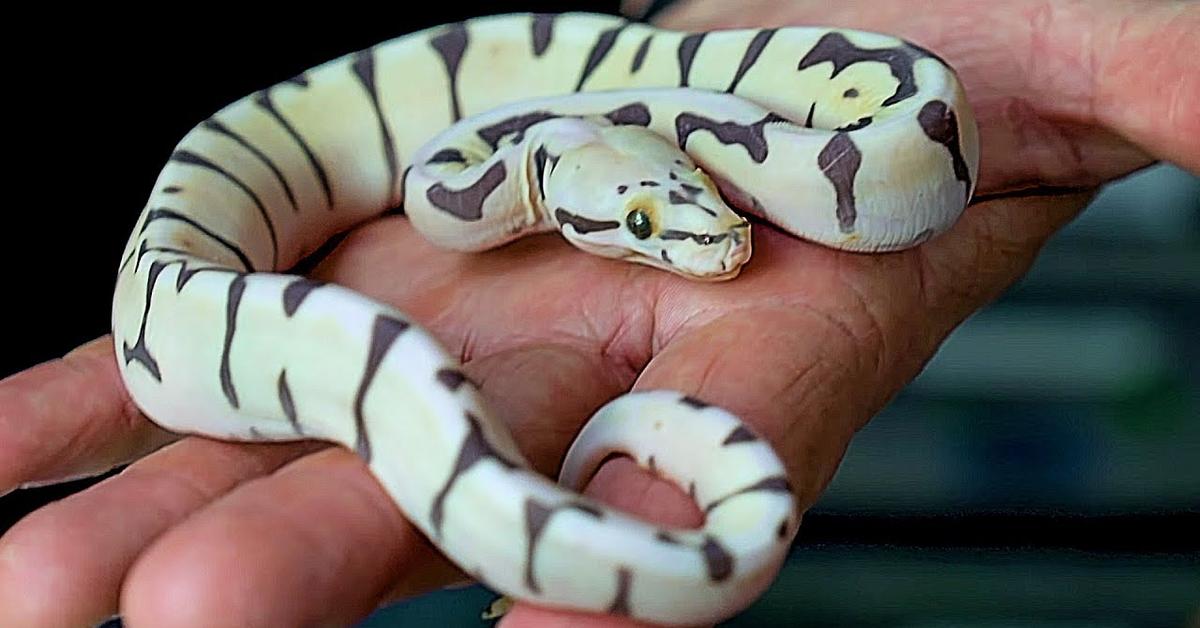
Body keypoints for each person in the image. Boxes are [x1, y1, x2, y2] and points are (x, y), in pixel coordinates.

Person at [0, 0, 1195, 626]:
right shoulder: (481, 182)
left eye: (682, 206)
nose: (704, 234)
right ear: (539, 210)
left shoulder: (599, 142)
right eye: (641, 225)